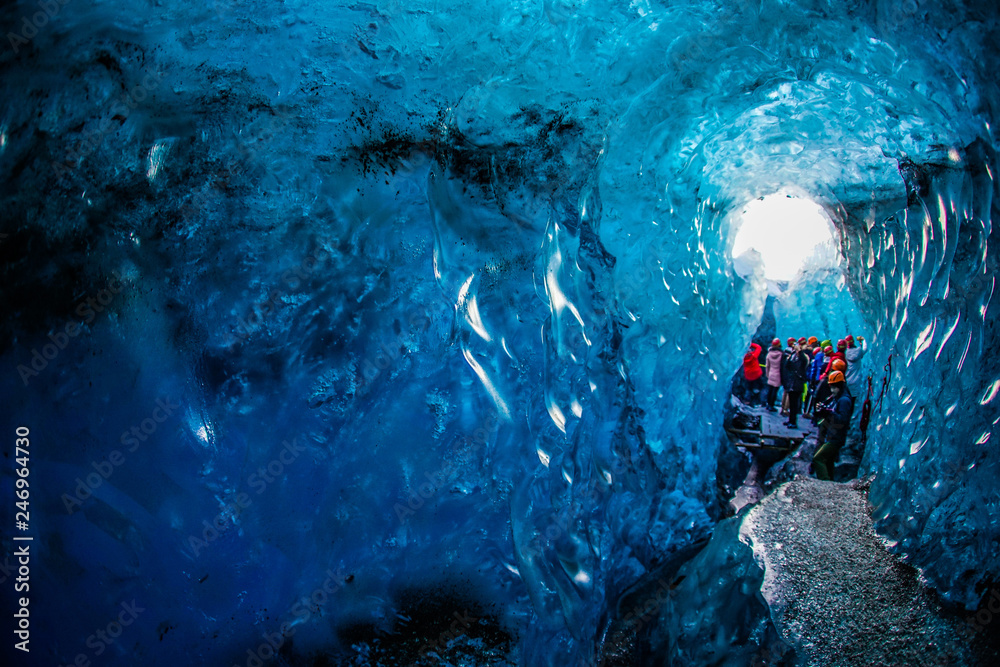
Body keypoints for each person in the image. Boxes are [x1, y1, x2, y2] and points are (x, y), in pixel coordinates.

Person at [812, 371, 855, 480]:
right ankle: (830, 483)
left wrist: (828, 412)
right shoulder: (838, 398)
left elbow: (843, 420)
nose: (832, 390)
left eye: (834, 387)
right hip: (832, 434)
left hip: (836, 437)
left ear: (839, 386)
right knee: (828, 462)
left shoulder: (844, 400)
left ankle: (825, 483)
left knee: (818, 458)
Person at [784, 340, 809, 428]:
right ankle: (791, 420)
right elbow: (787, 366)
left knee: (794, 404)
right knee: (791, 403)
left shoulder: (803, 358)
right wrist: (790, 355)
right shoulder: (793, 356)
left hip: (797, 383)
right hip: (792, 382)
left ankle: (793, 422)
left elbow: (803, 361)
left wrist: (800, 352)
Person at [742, 342, 765, 407]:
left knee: (748, 388)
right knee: (762, 387)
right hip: (756, 374)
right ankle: (762, 401)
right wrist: (749, 343)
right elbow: (758, 347)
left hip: (748, 375)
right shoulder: (754, 355)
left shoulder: (743, 358)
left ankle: (747, 400)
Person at [764, 338, 784, 412]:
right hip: (778, 374)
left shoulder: (769, 354)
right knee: (774, 391)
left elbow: (767, 365)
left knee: (770, 390)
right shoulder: (781, 354)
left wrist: (767, 374)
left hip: (771, 373)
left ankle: (768, 404)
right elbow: (783, 365)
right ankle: (771, 405)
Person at [781, 337, 796, 415]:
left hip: (784, 374)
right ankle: (786, 409)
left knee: (785, 391)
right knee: (789, 392)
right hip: (789, 375)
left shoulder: (784, 352)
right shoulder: (792, 354)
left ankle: (783, 407)